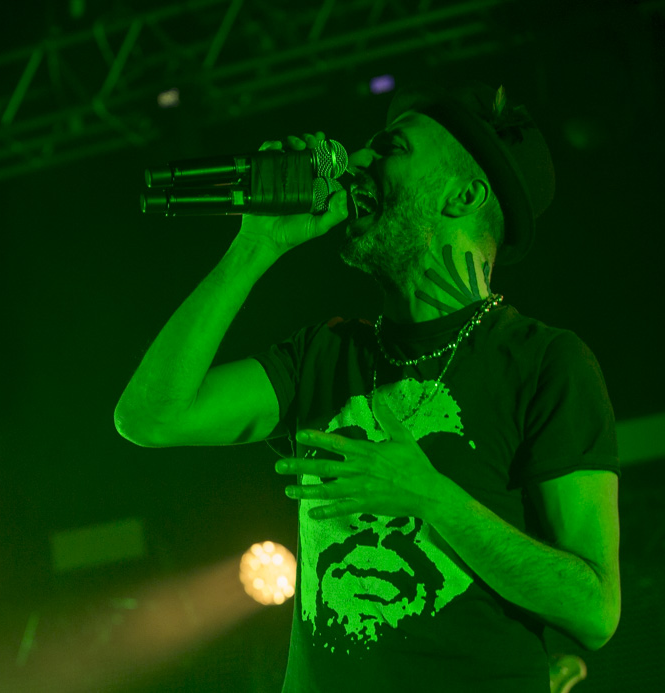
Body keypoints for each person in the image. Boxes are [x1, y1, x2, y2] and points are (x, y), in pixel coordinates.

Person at [114, 80, 621, 692]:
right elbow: (149, 418)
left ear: (463, 195)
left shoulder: (545, 363)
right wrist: (256, 245)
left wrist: (432, 499)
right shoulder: (326, 353)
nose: (356, 161)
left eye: (391, 149)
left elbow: (595, 609)